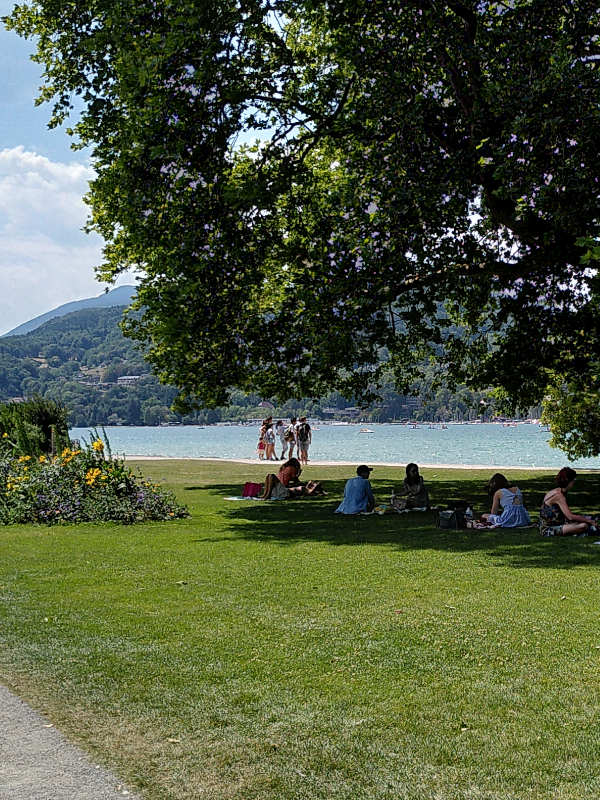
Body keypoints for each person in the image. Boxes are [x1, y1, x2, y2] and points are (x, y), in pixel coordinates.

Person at [539, 467, 598, 537]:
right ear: (569, 481)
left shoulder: (558, 491)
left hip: (560, 523)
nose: (574, 482)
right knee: (583, 525)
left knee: (589, 518)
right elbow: (570, 516)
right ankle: (589, 531)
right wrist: (589, 521)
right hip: (548, 529)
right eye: (573, 480)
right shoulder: (559, 496)